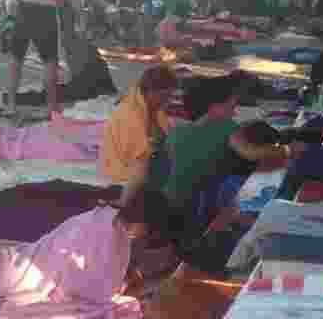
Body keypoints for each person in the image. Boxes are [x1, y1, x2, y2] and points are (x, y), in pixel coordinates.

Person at [120, 74, 304, 242]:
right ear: (215, 107)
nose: (234, 112)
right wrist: (289, 150)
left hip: (163, 204)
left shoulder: (177, 131)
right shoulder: (226, 128)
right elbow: (252, 153)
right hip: (189, 212)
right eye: (231, 106)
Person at [3, 0, 83, 118]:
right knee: (50, 62)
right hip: (45, 12)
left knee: (16, 59)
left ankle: (10, 106)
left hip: (25, 9)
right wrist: (80, 20)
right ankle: (51, 108)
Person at [101, 66, 179, 185]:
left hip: (146, 170)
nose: (167, 102)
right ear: (150, 91)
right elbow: (139, 161)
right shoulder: (131, 115)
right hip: (127, 178)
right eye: (165, 96)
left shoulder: (154, 109)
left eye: (170, 97)